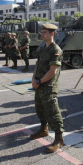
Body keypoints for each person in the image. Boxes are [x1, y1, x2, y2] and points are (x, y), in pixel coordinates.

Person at [29, 23, 64, 153]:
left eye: (44, 32)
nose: (42, 34)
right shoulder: (43, 48)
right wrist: (34, 79)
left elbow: (52, 71)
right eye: (42, 32)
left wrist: (39, 81)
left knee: (53, 112)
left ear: (52, 34)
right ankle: (43, 130)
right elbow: (38, 65)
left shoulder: (56, 50)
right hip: (39, 84)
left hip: (48, 86)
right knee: (40, 109)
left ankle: (59, 139)